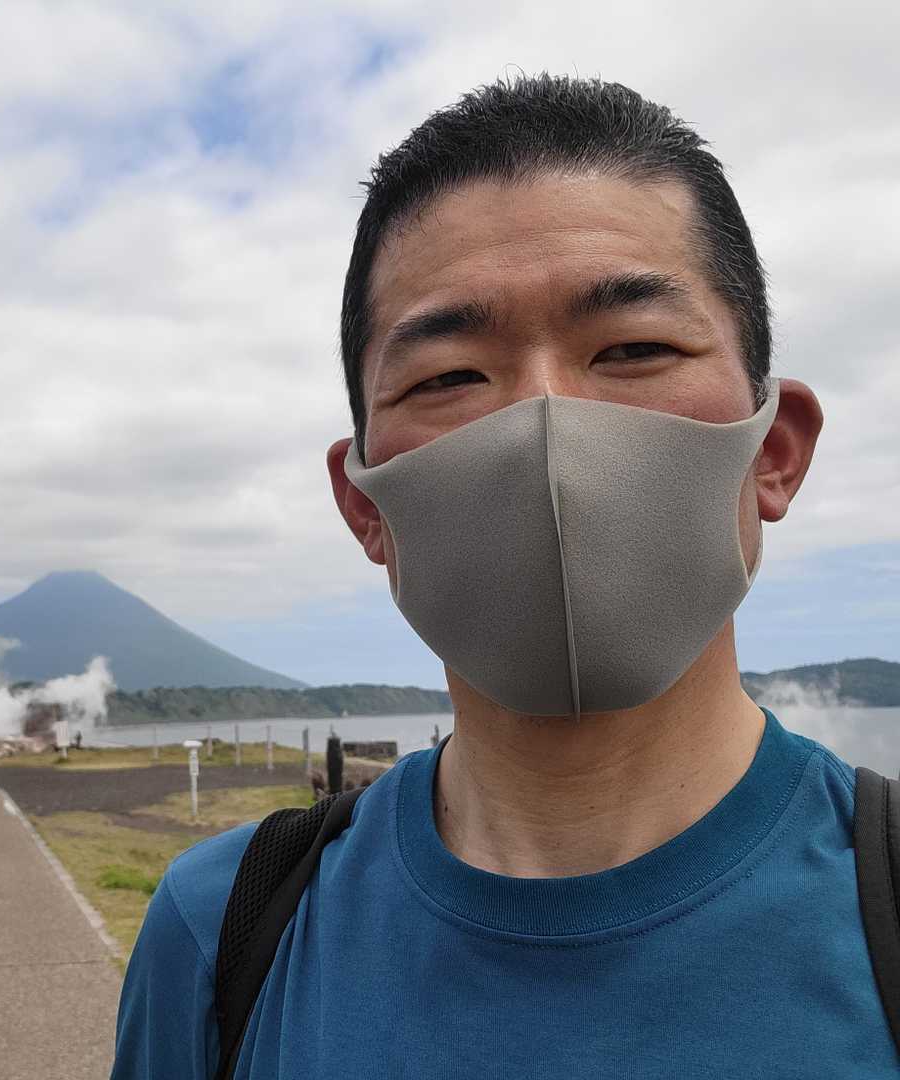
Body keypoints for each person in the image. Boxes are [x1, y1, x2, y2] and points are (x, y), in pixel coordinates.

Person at [111, 74, 896, 1078]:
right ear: (366, 506)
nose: (541, 427)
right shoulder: (219, 932)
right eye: (449, 376)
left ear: (773, 452)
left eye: (635, 347)